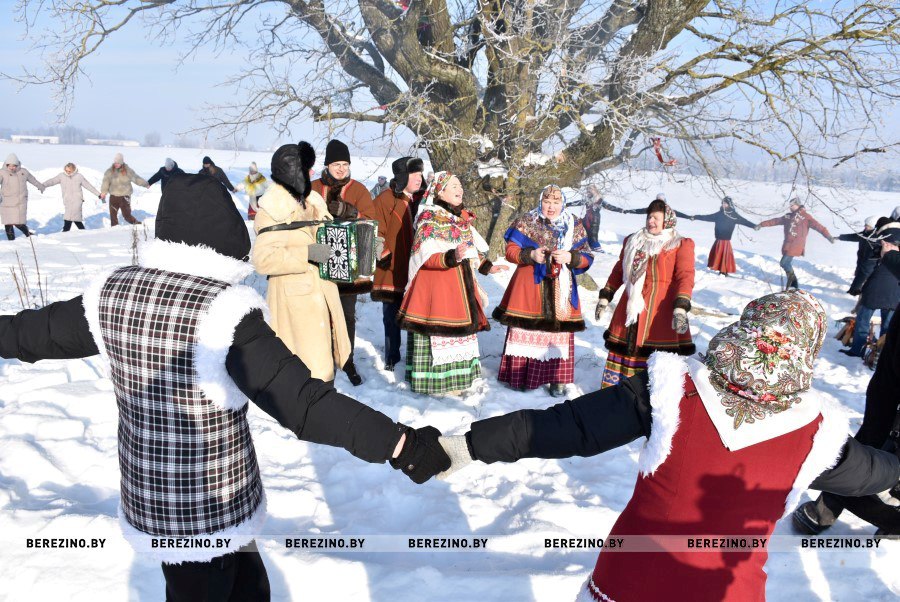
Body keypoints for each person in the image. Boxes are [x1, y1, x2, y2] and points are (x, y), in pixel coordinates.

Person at [0, 173, 451, 600]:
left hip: (153, 497)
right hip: (215, 501)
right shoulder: (223, 312)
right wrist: (400, 444)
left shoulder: (111, 294)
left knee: (244, 587)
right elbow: (305, 405)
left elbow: (29, 334)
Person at [437, 290, 900, 602]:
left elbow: (563, 427)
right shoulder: (816, 433)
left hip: (630, 581)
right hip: (727, 592)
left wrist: (466, 446)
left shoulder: (670, 388)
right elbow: (874, 473)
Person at [795, 240, 900, 537]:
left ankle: (883, 519)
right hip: (891, 373)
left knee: (878, 442)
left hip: (891, 374)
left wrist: (890, 254)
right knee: (872, 437)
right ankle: (827, 509)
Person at [397, 171, 508, 395]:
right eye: (454, 186)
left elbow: (470, 251)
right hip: (436, 289)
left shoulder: (459, 219)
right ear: (440, 191)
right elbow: (423, 258)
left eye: (460, 185)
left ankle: (457, 381)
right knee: (437, 334)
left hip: (460, 287)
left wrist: (488, 267)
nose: (460, 189)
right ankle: (434, 385)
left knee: (459, 333)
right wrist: (451, 257)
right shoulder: (429, 219)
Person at [252, 142, 350, 383]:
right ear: (293, 172)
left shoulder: (312, 201)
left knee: (324, 371)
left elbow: (326, 241)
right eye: (307, 168)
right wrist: (307, 253)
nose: (312, 173)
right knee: (305, 376)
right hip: (296, 306)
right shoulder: (273, 209)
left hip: (322, 294)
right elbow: (263, 260)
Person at [492, 185, 594, 396]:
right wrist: (530, 255)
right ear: (540, 202)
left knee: (557, 335)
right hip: (530, 284)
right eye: (547, 202)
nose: (551, 207)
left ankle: (557, 379)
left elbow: (587, 256)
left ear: (563, 203)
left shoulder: (573, 224)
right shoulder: (528, 221)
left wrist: (571, 257)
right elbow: (510, 251)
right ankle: (521, 376)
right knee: (528, 330)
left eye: (556, 202)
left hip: (561, 287)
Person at [595, 200, 695, 388]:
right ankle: (617, 392)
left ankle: (648, 394)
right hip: (630, 305)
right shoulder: (634, 241)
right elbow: (619, 270)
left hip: (660, 310)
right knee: (624, 348)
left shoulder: (679, 244)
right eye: (649, 217)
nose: (651, 221)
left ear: (667, 220)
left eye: (656, 218)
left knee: (654, 353)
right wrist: (605, 296)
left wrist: (681, 307)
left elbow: (685, 276)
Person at [311, 139, 379, 386]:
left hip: (349, 262)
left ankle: (347, 359)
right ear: (327, 165)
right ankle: (322, 358)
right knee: (320, 312)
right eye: (336, 164)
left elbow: (371, 220)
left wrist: (350, 211)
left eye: (345, 164)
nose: (341, 169)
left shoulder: (359, 189)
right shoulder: (313, 188)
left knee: (346, 315)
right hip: (318, 257)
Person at [369, 156, 425, 371]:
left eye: (420, 174)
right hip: (392, 268)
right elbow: (373, 230)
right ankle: (392, 357)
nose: (419, 178)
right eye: (414, 174)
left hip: (417, 268)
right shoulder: (385, 199)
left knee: (415, 314)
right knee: (391, 316)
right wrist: (383, 255)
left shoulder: (423, 201)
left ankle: (415, 355)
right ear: (403, 176)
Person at [839, 224, 900, 358]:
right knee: (887, 326)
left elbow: (865, 271)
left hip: (873, 292)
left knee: (863, 321)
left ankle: (858, 350)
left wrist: (855, 287)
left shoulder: (878, 252)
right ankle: (881, 353)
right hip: (894, 296)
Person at [755, 199, 834, 289]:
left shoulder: (806, 217)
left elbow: (819, 227)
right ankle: (792, 283)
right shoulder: (788, 216)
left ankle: (793, 283)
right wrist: (761, 224)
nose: (790, 207)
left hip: (796, 244)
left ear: (797, 205)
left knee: (784, 262)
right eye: (790, 205)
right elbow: (775, 221)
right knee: (786, 263)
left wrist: (829, 236)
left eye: (792, 205)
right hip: (788, 244)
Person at [683, 196, 757, 276]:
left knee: (725, 256)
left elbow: (744, 221)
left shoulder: (734, 215)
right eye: (723, 203)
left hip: (726, 240)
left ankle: (724, 271)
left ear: (729, 204)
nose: (724, 205)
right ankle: (721, 270)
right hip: (719, 239)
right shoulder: (719, 214)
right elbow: (707, 217)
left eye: (725, 203)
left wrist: (754, 226)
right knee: (718, 255)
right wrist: (695, 217)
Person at [574, 184, 643, 251]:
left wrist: (621, 210)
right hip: (586, 219)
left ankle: (596, 247)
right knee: (585, 233)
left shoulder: (599, 200)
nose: (588, 192)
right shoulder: (587, 200)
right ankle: (587, 245)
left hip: (594, 219)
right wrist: (568, 204)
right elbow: (578, 203)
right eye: (587, 190)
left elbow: (610, 207)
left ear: (595, 191)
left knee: (593, 234)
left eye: (590, 190)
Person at [41, 162, 101, 232]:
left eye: (69, 171)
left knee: (72, 217)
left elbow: (89, 186)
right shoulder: (61, 176)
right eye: (66, 170)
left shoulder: (79, 177)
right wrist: (42, 185)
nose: (67, 172)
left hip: (77, 200)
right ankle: (83, 232)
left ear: (73, 170)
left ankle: (65, 232)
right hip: (67, 200)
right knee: (73, 218)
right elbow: (52, 181)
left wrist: (98, 194)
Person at [0, 153, 45, 240]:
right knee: (8, 221)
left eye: (14, 165)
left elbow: (33, 180)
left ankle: (28, 234)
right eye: (9, 165)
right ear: (6, 165)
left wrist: (40, 186)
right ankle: (11, 239)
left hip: (20, 201)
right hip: (7, 201)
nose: (12, 167)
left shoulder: (23, 172)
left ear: (17, 165)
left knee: (19, 221)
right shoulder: (2, 172)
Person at [100, 153, 149, 226]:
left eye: (118, 163)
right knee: (113, 217)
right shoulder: (109, 171)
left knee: (127, 215)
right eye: (115, 162)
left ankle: (138, 225)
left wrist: (145, 184)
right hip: (113, 196)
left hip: (125, 196)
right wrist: (103, 192)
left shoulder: (127, 171)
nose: (116, 164)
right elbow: (105, 182)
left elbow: (136, 178)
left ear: (121, 162)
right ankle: (114, 230)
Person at [836, 215, 880, 295]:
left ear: (874, 226)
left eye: (868, 226)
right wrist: (840, 237)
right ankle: (858, 290)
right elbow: (853, 237)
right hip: (861, 259)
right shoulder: (864, 233)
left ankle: (853, 292)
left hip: (869, 261)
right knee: (860, 275)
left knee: (862, 276)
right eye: (865, 225)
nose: (865, 227)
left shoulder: (877, 237)